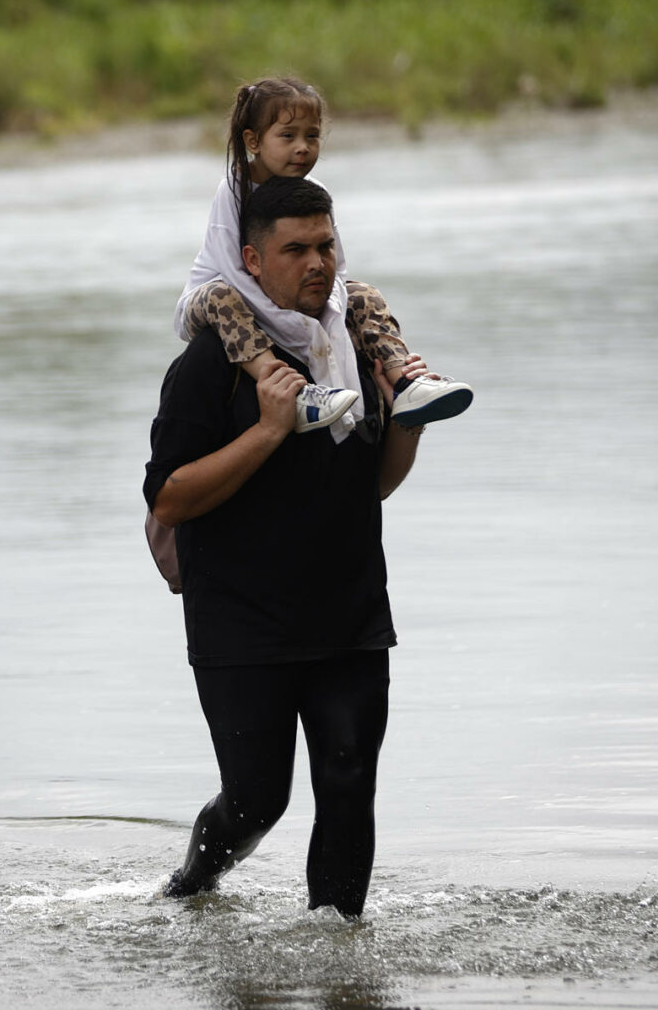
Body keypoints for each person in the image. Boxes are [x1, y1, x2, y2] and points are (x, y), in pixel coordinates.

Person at [144, 176, 433, 915]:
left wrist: (406, 422)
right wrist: (270, 429)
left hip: (350, 615)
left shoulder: (349, 348)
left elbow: (370, 486)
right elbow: (170, 497)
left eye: (327, 245)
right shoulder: (215, 363)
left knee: (347, 781)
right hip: (242, 625)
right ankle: (190, 890)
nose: (317, 263)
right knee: (256, 801)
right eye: (296, 249)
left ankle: (339, 955)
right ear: (252, 258)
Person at [177, 76, 473, 435]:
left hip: (278, 294)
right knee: (222, 296)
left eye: (312, 136)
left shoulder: (315, 191)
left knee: (361, 293)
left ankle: (404, 383)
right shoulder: (234, 190)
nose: (302, 148)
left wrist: (327, 318)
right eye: (288, 137)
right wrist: (292, 325)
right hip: (217, 300)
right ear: (253, 141)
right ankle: (292, 392)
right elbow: (232, 271)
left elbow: (338, 267)